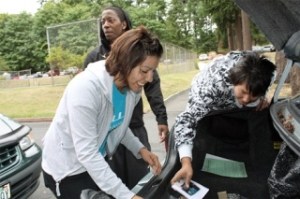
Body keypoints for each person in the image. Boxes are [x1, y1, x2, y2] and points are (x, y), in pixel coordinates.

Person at [42, 26, 163, 199]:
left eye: (153, 71)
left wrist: (141, 149)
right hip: (68, 170)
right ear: (125, 62)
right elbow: (87, 151)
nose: (150, 78)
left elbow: (116, 123)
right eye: (144, 71)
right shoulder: (86, 88)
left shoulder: (132, 90)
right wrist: (127, 196)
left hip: (94, 161)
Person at [84, 6, 169, 189]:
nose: (105, 25)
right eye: (103, 21)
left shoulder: (143, 54)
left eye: (111, 20)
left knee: (141, 183)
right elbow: (86, 151)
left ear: (124, 24)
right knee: (111, 183)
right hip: (104, 136)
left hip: (133, 128)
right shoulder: (93, 61)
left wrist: (161, 117)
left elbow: (152, 86)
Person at [170, 51, 277, 188]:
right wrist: (186, 162)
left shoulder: (268, 74)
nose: (246, 100)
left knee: (258, 111)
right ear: (235, 80)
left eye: (252, 96)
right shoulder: (210, 87)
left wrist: (262, 97)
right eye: (243, 92)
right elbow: (186, 120)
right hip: (213, 94)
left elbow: (271, 74)